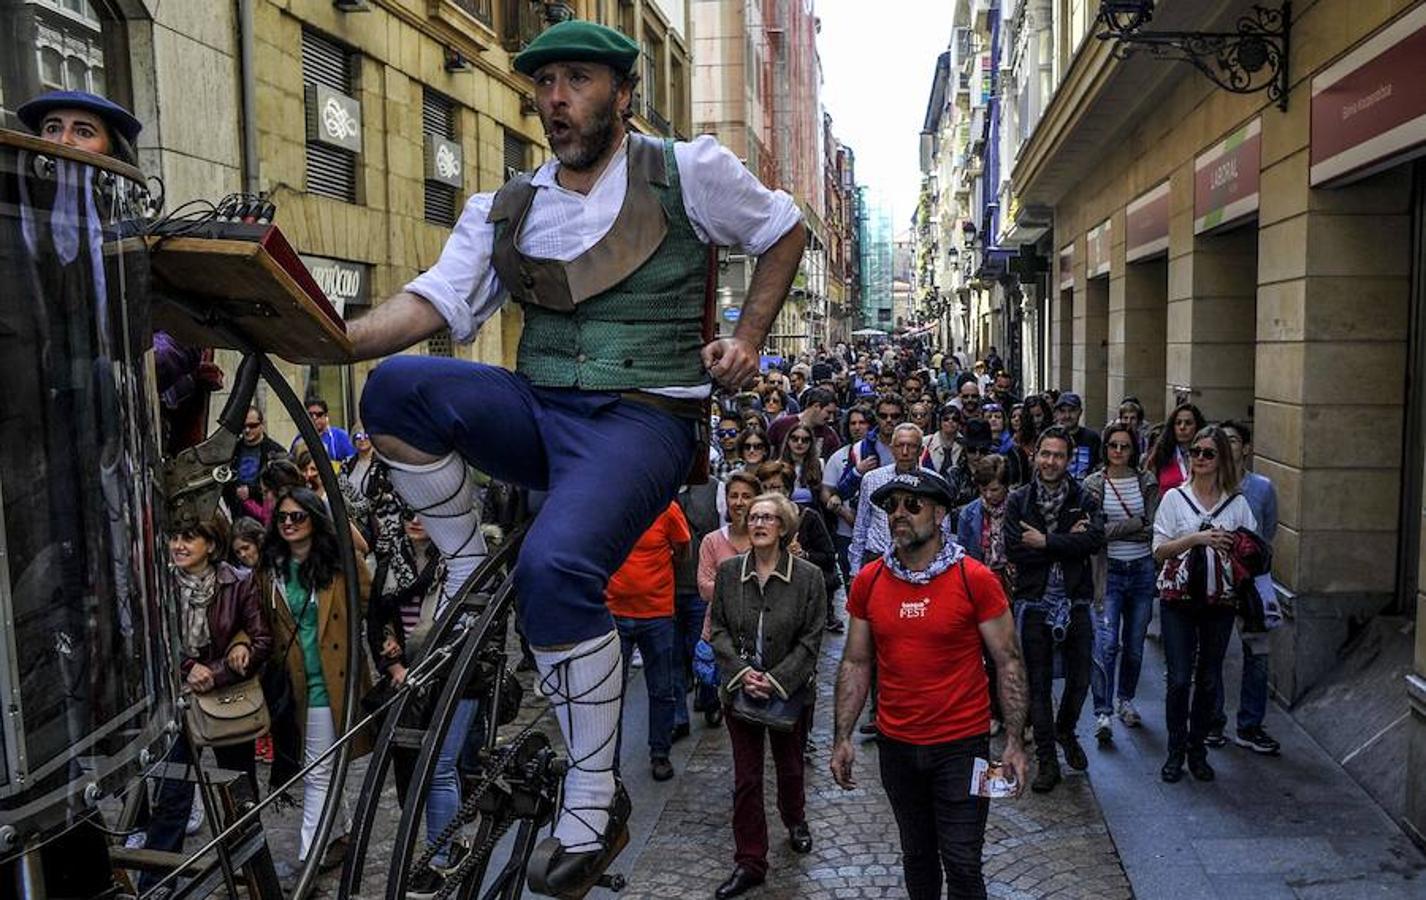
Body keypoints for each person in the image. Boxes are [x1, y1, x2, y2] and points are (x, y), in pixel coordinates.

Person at [354, 19, 805, 892]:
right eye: (544, 82)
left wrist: (749, 337)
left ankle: (593, 797)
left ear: (623, 94)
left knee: (558, 567)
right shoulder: (507, 204)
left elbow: (785, 230)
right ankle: (460, 556)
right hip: (539, 410)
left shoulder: (689, 171)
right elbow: (432, 302)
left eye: (575, 80)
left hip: (643, 420)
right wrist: (333, 337)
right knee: (392, 391)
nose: (554, 98)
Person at [831, 470, 1028, 900]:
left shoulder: (973, 579)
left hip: (961, 745)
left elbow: (1008, 660)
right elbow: (856, 660)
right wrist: (842, 736)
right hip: (897, 746)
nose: (899, 514)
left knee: (961, 861)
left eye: (912, 504)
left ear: (939, 513)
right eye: (892, 506)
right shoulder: (870, 580)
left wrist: (1014, 741)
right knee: (917, 858)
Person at [139, 515, 271, 892]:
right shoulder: (159, 584)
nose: (179, 545)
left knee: (239, 791)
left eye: (189, 539)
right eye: (175, 537)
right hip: (174, 700)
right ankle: (158, 884)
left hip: (226, 699)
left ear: (211, 545)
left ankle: (253, 877)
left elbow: (262, 640)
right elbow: (149, 639)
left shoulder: (238, 582)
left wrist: (214, 672)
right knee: (173, 793)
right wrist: (187, 668)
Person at [708, 492, 826, 899]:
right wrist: (741, 674)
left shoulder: (808, 577)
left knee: (791, 768)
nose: (757, 523)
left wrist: (776, 680)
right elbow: (718, 630)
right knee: (747, 779)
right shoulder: (728, 573)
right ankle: (750, 861)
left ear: (783, 528)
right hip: (739, 692)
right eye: (753, 516)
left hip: (789, 691)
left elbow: (812, 639)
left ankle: (795, 818)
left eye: (767, 518)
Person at [260, 488, 373, 871]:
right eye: (283, 517)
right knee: (323, 760)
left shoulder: (341, 565)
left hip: (332, 681)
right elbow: (261, 625)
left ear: (314, 518)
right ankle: (341, 832)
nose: (289, 523)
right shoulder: (272, 569)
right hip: (294, 686)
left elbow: (372, 604)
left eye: (298, 516)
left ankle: (309, 856)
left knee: (316, 770)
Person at [364, 509, 476, 894]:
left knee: (440, 764)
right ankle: (452, 839)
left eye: (425, 513)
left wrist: (444, 665)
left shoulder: (463, 563)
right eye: (409, 512)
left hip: (459, 676)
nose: (416, 520)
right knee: (419, 766)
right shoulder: (391, 561)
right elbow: (377, 620)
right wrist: (392, 661)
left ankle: (439, 857)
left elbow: (478, 628)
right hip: (410, 679)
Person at [1152, 426, 1256, 783]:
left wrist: (1236, 547)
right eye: (1195, 451)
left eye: (1208, 453)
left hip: (1220, 602)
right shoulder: (1174, 500)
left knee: (1209, 680)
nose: (1199, 458)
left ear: (1221, 460)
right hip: (1178, 602)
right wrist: (1197, 538)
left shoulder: (1237, 504)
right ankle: (1174, 751)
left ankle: (1198, 750)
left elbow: (1253, 554)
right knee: (1179, 679)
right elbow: (1159, 550)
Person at [1004, 426, 1105, 793]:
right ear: (1036, 456)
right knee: (1039, 684)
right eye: (1045, 454)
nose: (1050, 461)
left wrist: (1045, 540)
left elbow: (1094, 539)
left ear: (1068, 459)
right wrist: (1069, 541)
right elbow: (1015, 548)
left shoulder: (1084, 497)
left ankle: (1066, 729)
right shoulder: (1020, 500)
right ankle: (1047, 759)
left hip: (1076, 600)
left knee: (1080, 680)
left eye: (1058, 455)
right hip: (1034, 602)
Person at [1082, 422, 1160, 743]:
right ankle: (1103, 712)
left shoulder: (1146, 481)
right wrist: (1134, 524)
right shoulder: (1093, 484)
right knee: (1107, 643)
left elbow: (1154, 527)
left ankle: (1125, 699)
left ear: (1133, 449)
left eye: (1124, 446)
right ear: (1105, 449)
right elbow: (1095, 532)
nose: (1118, 452)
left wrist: (1121, 528)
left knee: (1135, 645)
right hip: (1108, 571)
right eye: (1113, 445)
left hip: (1142, 570)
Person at [606, 501, 692, 782]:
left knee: (662, 688)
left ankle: (660, 753)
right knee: (610, 695)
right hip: (615, 611)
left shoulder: (667, 508)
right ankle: (610, 765)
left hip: (657, 613)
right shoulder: (613, 504)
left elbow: (682, 549)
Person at [1210, 419, 1281, 755]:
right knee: (1211, 654)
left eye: (1234, 440)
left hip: (1252, 584)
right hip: (1214, 581)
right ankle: (1212, 722)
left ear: (1247, 447)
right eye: (1220, 440)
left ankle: (1250, 725)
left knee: (1258, 654)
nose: (1227, 445)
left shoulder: (1263, 488)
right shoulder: (1205, 484)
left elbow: (1266, 534)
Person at [755, 461, 840, 630]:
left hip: (801, 597)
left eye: (775, 487)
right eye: (765, 488)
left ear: (787, 489)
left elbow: (828, 557)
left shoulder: (809, 518)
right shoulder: (756, 521)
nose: (770, 493)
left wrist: (803, 555)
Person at [850, 424, 936, 569]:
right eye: (899, 446)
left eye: (911, 446)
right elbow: (861, 526)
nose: (905, 452)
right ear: (891, 449)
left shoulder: (933, 482)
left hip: (918, 561)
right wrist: (854, 568)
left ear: (921, 451)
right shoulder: (872, 479)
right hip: (877, 558)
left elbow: (941, 530)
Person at [674, 477, 721, 735]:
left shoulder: (713, 488)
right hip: (666, 589)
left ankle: (709, 696)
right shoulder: (656, 486)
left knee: (701, 649)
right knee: (674, 659)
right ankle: (678, 717)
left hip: (698, 587)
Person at [227, 406, 288, 521]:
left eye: (252, 426)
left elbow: (282, 484)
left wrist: (252, 491)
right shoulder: (232, 450)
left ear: (261, 425)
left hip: (265, 514)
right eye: (243, 426)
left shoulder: (275, 451)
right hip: (238, 513)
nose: (247, 430)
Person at [1146, 402, 1207, 495]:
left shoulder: (1207, 456)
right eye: (1178, 423)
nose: (1182, 427)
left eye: (1188, 423)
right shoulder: (1161, 454)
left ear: (1197, 426)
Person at [767, 387, 841, 459]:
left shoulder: (830, 436)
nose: (831, 418)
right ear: (816, 406)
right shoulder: (780, 425)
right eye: (828, 412)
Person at [1051, 393, 1102, 479]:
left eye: (1072, 411)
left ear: (1080, 412)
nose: (1067, 416)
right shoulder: (1050, 438)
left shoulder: (1092, 438)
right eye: (1063, 411)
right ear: (1056, 413)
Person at [291, 397, 356, 464]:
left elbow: (352, 460)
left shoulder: (340, 436)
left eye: (319, 414)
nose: (314, 418)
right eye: (310, 415)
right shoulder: (299, 439)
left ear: (326, 415)